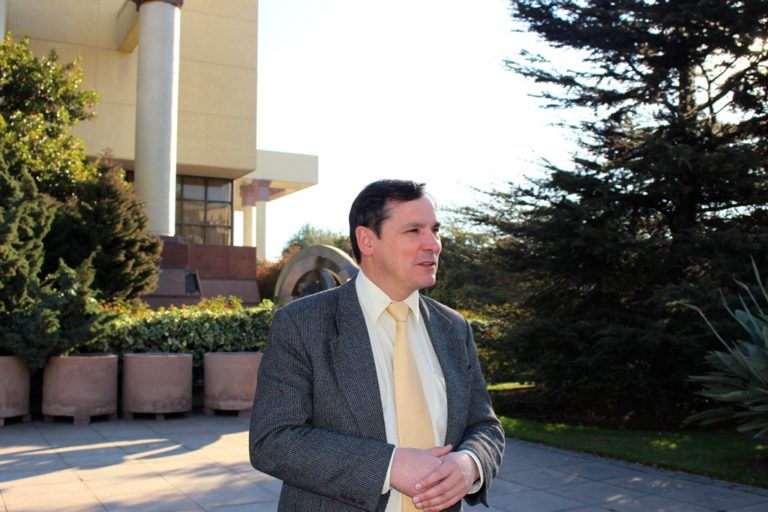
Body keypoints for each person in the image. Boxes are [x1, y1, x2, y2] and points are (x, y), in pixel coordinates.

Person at [249, 179, 505, 511]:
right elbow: (273, 440)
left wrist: (470, 463)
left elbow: (484, 425)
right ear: (367, 240)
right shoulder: (302, 324)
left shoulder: (453, 328)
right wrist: (387, 466)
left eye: (435, 230)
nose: (433, 244)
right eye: (413, 230)